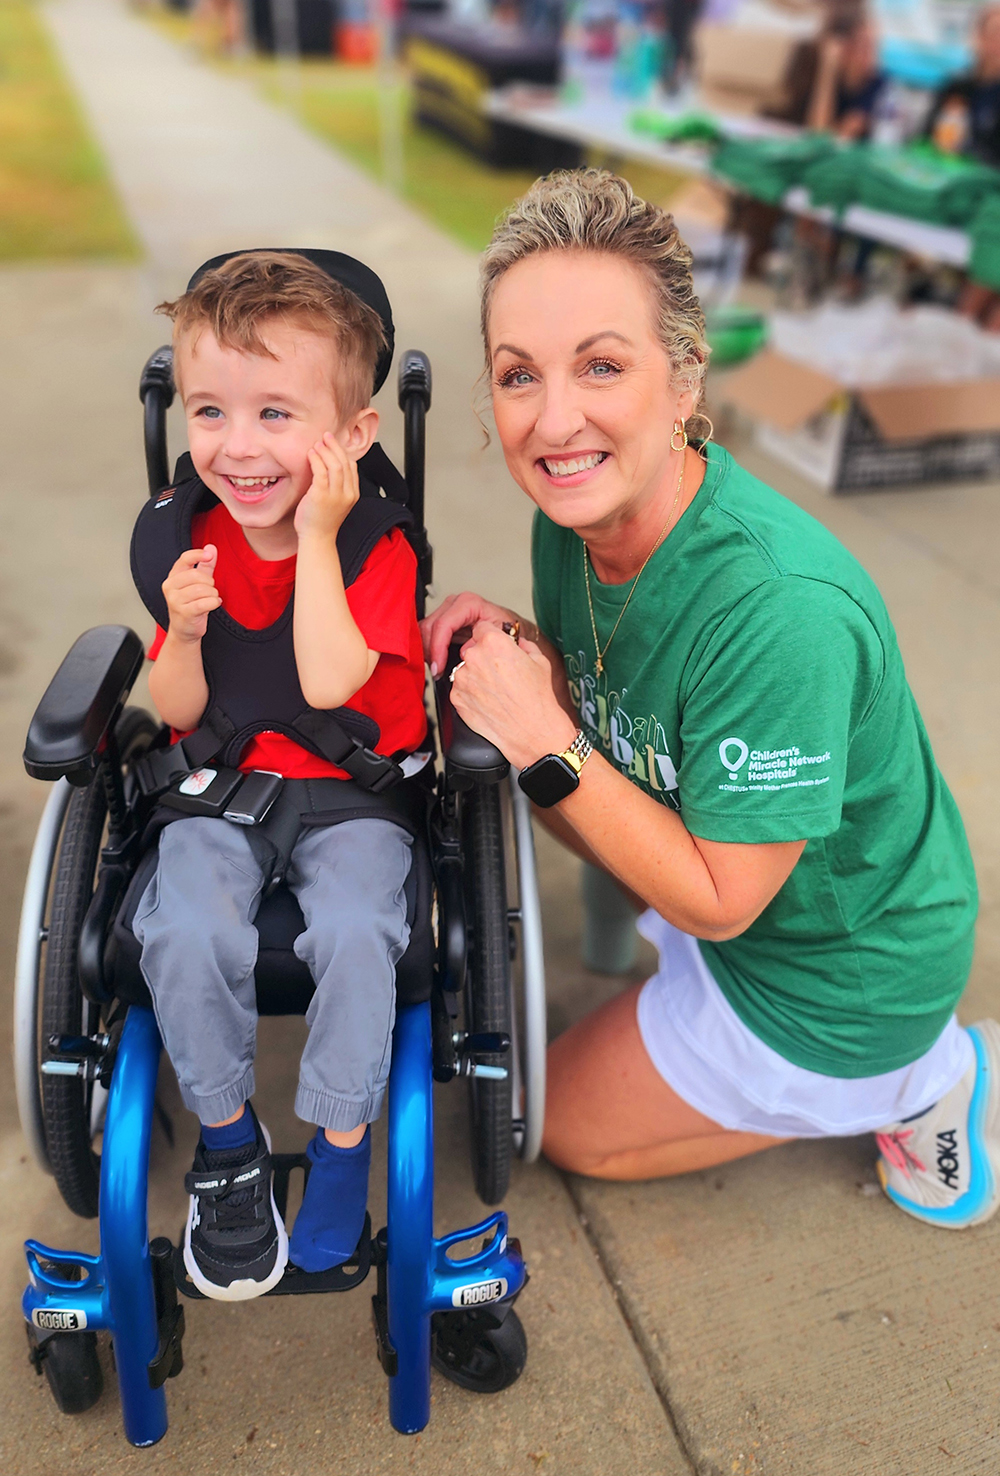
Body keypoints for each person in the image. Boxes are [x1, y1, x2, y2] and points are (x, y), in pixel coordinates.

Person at [423, 169, 996, 1229]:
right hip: (723, 870)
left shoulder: (780, 610)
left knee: (559, 1128)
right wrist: (520, 648)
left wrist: (543, 735)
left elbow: (721, 901)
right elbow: (609, 684)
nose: (553, 420)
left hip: (833, 970)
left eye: (601, 365)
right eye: (518, 375)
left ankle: (921, 1084)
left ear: (684, 382)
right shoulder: (573, 520)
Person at [132, 251, 426, 1298]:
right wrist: (181, 631)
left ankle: (341, 1146)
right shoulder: (188, 538)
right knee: (180, 928)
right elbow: (176, 712)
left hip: (354, 797)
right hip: (223, 789)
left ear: (354, 435)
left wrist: (316, 537)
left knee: (355, 932)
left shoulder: (375, 545)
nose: (239, 446)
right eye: (210, 411)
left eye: (275, 414)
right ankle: (229, 1145)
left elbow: (331, 681)